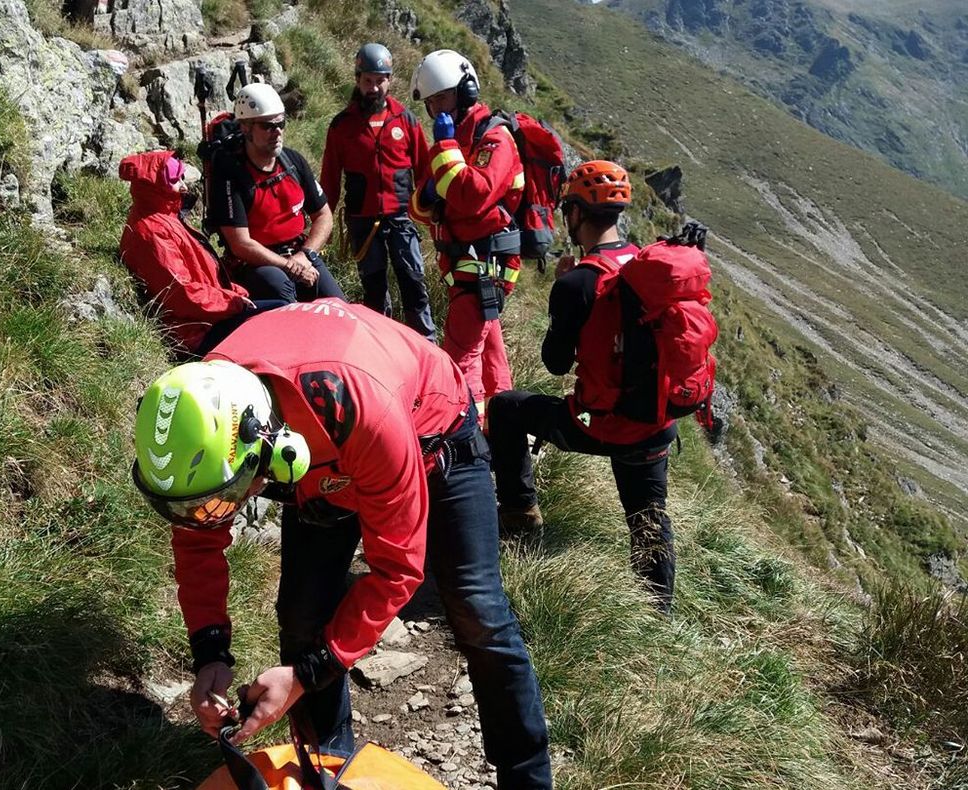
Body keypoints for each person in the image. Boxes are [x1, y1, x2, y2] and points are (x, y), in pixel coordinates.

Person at [131, 299, 552, 789]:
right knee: (303, 615)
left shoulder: (363, 413)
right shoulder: (203, 413)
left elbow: (397, 570)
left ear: (268, 448)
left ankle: (527, 779)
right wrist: (210, 653)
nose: (215, 512)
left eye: (227, 497)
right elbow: (197, 542)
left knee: (478, 612)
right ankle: (325, 767)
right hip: (321, 452)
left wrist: (306, 675)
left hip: (429, 434)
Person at [488, 161, 679, 613]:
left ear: (575, 214)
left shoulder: (577, 282)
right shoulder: (650, 266)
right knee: (648, 517)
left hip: (597, 422)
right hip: (656, 421)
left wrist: (561, 290)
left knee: (506, 408)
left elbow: (554, 364)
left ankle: (519, 515)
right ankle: (658, 614)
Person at [408, 49, 524, 421]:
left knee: (460, 359)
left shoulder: (494, 139)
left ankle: (464, 433)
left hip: (484, 264)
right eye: (430, 103)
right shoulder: (453, 142)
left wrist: (444, 152)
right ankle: (504, 425)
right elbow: (419, 207)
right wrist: (428, 196)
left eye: (442, 97)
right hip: (464, 261)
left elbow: (473, 196)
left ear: (467, 91)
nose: (436, 110)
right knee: (491, 355)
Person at [320, 43, 437, 340]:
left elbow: (424, 171)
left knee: (414, 283)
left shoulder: (406, 120)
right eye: (368, 81)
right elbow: (330, 179)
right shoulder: (342, 126)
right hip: (362, 222)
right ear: (358, 79)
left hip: (402, 219)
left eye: (379, 80)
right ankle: (380, 344)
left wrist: (432, 214)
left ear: (390, 80)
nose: (374, 87)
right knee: (373, 289)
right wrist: (326, 223)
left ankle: (426, 344)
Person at [118, 150, 283, 356]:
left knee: (283, 310)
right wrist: (232, 303)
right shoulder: (151, 232)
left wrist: (233, 293)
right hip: (195, 334)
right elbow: (181, 293)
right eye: (175, 179)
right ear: (155, 185)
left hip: (208, 318)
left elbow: (202, 275)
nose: (184, 186)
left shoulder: (164, 218)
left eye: (181, 177)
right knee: (281, 316)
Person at [205, 82, 344, 304]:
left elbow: (323, 215)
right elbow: (241, 244)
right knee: (284, 300)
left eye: (281, 123)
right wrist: (290, 266)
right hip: (257, 264)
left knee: (339, 309)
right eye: (268, 126)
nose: (277, 131)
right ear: (245, 127)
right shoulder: (231, 174)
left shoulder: (293, 162)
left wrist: (305, 255)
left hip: (301, 255)